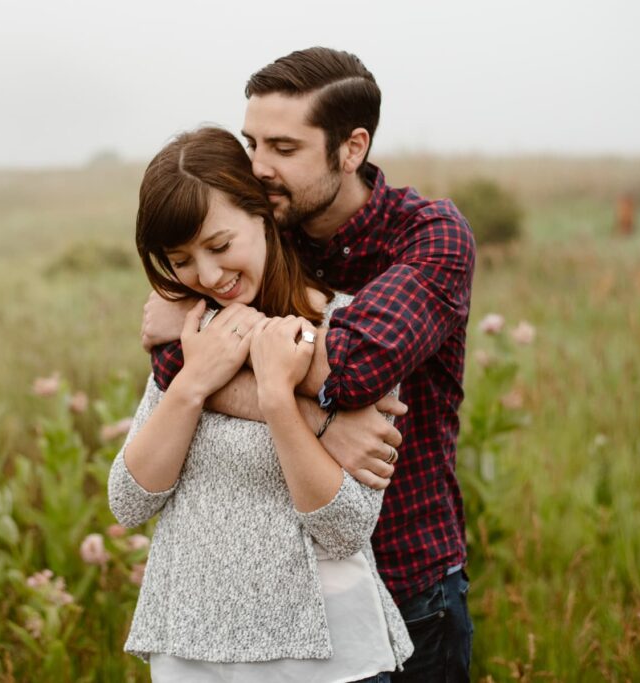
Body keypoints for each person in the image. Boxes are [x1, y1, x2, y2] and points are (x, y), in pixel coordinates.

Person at [140, 48, 476, 681]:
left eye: (284, 148)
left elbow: (354, 368)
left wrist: (221, 340)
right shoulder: (261, 227)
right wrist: (325, 423)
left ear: (351, 148)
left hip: (410, 580)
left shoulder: (428, 234)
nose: (259, 167)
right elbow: (173, 359)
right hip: (296, 596)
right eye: (252, 142)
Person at [109, 126, 413, 682]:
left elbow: (346, 529)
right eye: (180, 260)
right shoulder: (191, 334)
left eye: (220, 246)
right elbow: (129, 501)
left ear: (263, 215)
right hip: (191, 656)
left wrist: (278, 400)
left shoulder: (348, 334)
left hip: (326, 661)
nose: (206, 275)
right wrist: (192, 384)